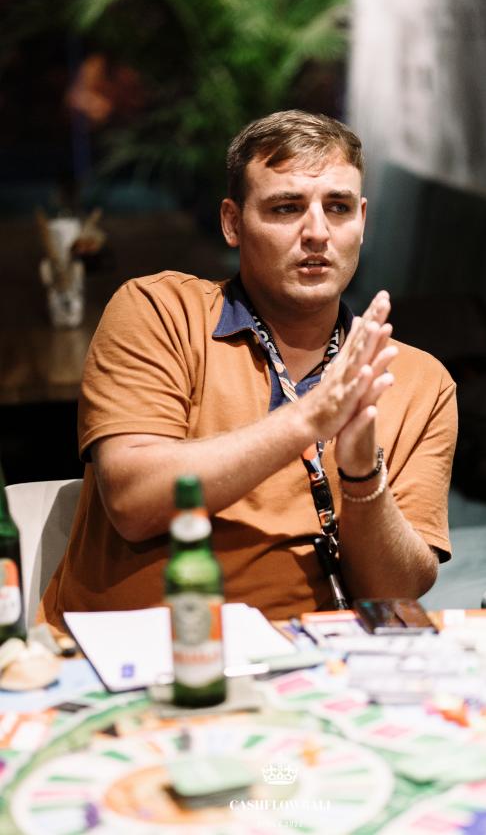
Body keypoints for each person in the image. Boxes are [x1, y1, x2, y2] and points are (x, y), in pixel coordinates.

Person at [38, 110, 457, 634]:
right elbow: (133, 501)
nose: (317, 233)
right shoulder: (160, 311)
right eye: (286, 208)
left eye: (338, 207)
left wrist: (360, 473)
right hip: (134, 649)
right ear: (232, 223)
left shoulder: (418, 380)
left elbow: (394, 593)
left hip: (316, 652)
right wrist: (308, 419)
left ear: (363, 220)